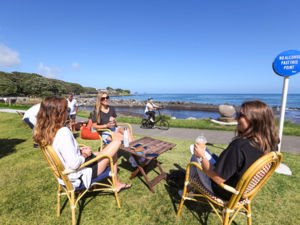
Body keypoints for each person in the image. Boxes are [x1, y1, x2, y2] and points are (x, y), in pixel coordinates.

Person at [182, 100, 280, 200]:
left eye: (241, 115)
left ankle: (189, 189)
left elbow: (217, 178)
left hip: (225, 191)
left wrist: (201, 156)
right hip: (243, 193)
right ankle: (190, 187)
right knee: (206, 154)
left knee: (195, 155)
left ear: (255, 120)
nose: (236, 118)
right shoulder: (272, 145)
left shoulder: (239, 146)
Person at [33, 96, 131, 192]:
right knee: (117, 142)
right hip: (80, 174)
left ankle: (117, 183)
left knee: (108, 150)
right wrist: (85, 154)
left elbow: (63, 151)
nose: (68, 111)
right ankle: (117, 183)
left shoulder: (48, 132)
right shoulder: (63, 132)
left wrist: (79, 151)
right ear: (58, 113)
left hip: (67, 174)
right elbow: (74, 164)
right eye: (67, 109)